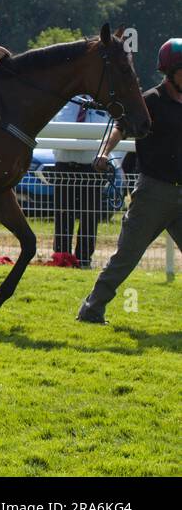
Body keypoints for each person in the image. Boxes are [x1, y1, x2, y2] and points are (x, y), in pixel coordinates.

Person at [77, 38, 182, 324]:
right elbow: (121, 129)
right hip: (153, 195)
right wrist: (104, 152)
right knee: (127, 256)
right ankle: (92, 309)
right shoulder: (150, 101)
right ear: (170, 72)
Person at [50, 97, 112, 268]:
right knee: (63, 215)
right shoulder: (66, 100)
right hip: (64, 166)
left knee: (90, 216)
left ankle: (84, 260)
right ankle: (61, 258)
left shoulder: (104, 103)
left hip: (92, 169)